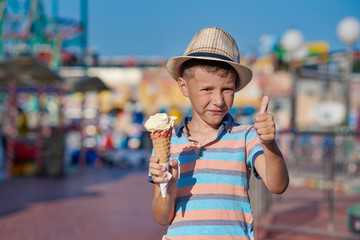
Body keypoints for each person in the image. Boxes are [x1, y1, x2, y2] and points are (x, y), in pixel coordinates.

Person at [148, 27, 289, 240]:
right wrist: (167, 186)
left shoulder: (246, 136)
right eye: (207, 90)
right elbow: (162, 218)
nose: (219, 101)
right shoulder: (170, 142)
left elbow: (277, 185)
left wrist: (269, 144)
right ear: (184, 87)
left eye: (227, 89)